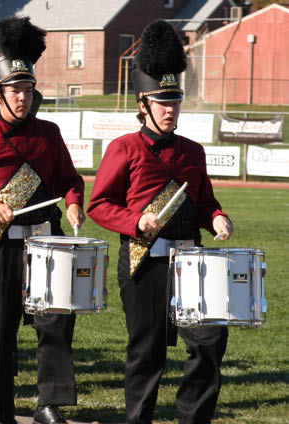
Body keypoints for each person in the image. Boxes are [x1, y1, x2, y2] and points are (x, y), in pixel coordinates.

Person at [86, 20, 233, 424]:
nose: (171, 110)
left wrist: (218, 217)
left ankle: (192, 418)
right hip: (143, 261)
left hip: (192, 262)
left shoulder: (193, 151)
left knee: (210, 339)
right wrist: (136, 221)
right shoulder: (124, 149)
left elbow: (204, 202)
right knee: (147, 353)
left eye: (176, 102)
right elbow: (99, 204)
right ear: (143, 104)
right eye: (162, 102)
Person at [0, 16, 85, 424]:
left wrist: (75, 201)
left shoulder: (49, 132)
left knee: (56, 323)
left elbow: (68, 179)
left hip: (47, 242)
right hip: (0, 244)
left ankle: (48, 404)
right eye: (15, 91)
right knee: (0, 331)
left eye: (27, 90)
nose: (23, 98)